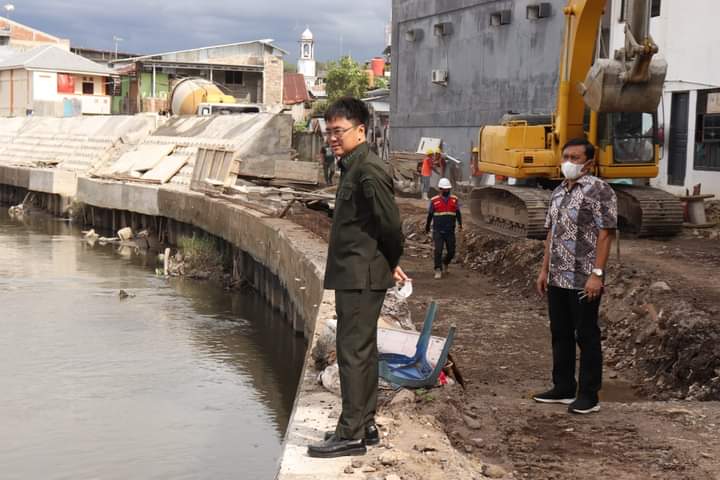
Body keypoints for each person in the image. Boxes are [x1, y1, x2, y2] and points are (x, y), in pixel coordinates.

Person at [307, 97, 408, 458]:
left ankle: (349, 432)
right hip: (357, 273)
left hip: (361, 275)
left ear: (361, 130)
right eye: (329, 130)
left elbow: (391, 225)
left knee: (352, 352)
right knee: (362, 351)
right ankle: (365, 424)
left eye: (339, 131)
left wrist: (390, 260)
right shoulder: (352, 166)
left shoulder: (368, 169)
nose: (333, 137)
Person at [534, 138, 617, 415]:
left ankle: (589, 395)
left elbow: (605, 234)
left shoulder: (599, 191)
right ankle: (563, 387)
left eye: (576, 157)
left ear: (589, 163)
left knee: (586, 334)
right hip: (558, 276)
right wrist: (544, 269)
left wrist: (597, 274)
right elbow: (551, 233)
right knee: (560, 332)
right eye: (566, 156)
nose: (569, 162)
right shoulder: (558, 192)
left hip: (583, 278)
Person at [425, 178, 462, 279]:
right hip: (438, 230)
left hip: (450, 230)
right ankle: (438, 269)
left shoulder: (454, 199)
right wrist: (427, 226)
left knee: (451, 251)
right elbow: (430, 215)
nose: (446, 191)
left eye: (448, 189)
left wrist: (460, 225)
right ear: (440, 189)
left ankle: (445, 262)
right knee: (438, 250)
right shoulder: (434, 200)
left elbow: (458, 213)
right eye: (444, 189)